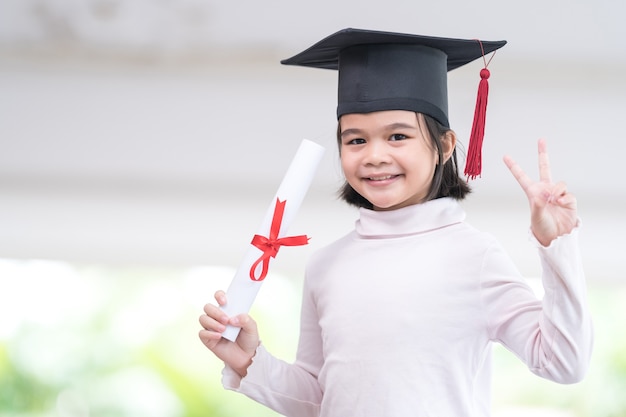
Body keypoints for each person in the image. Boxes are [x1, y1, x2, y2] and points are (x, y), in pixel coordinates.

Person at [198, 28, 593, 417]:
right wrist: (250, 360)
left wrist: (557, 246)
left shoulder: (474, 256)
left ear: (444, 146)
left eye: (398, 136)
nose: (374, 155)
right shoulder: (326, 266)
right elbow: (322, 399)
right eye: (355, 140)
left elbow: (563, 362)